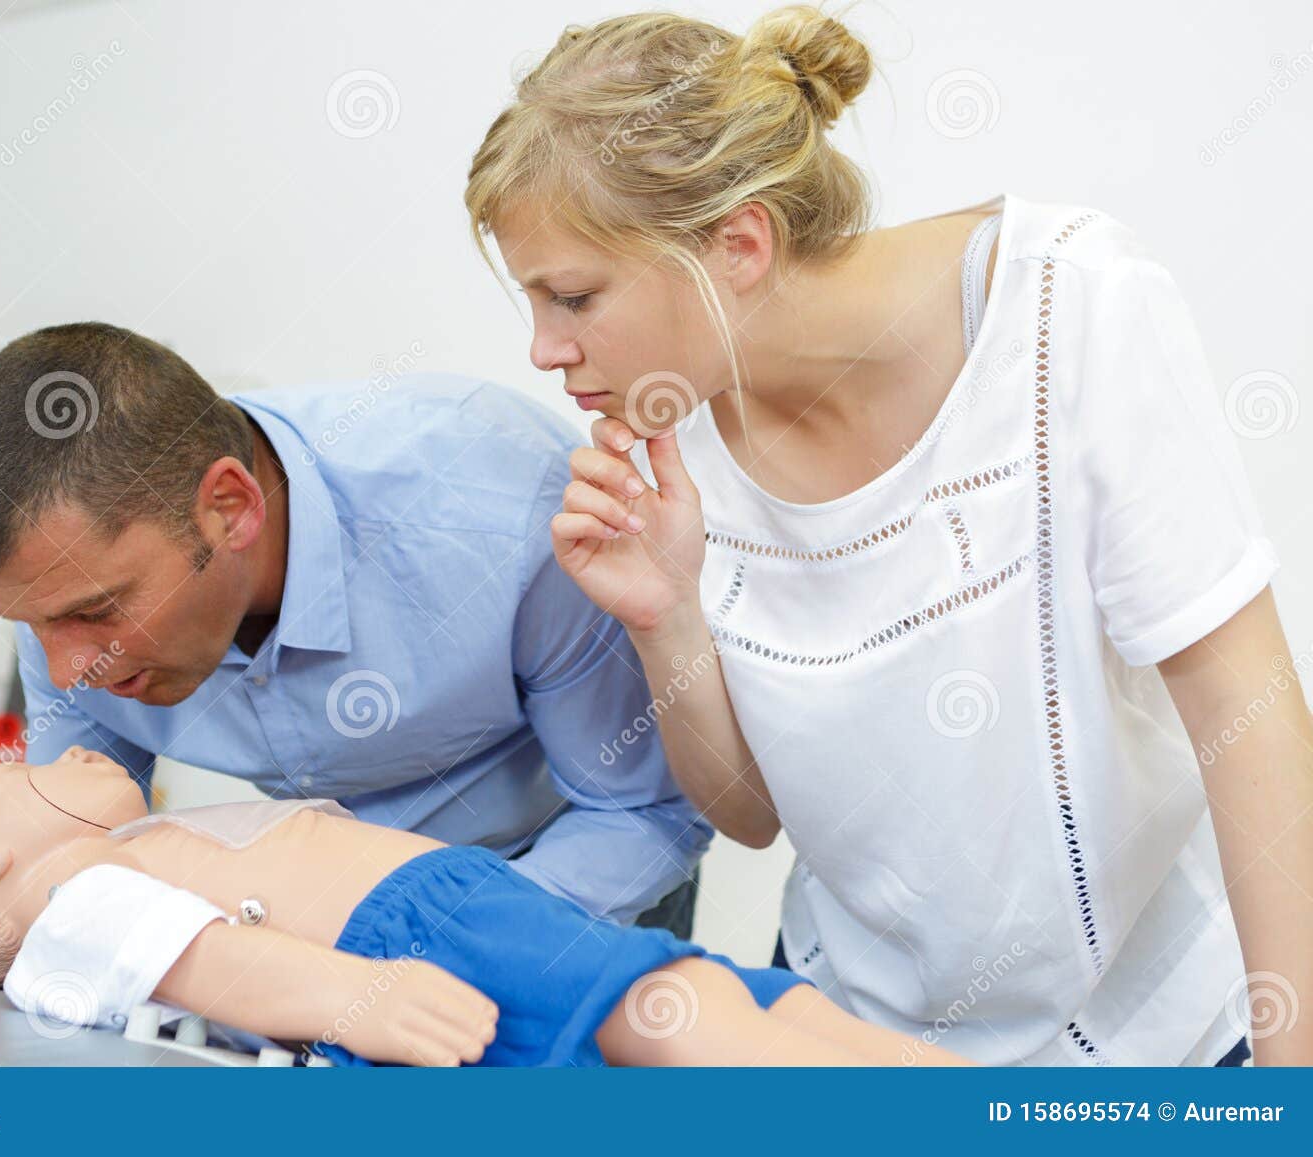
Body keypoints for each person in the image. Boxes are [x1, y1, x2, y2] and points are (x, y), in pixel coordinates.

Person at [463, 5, 1313, 1065]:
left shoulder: (1070, 308)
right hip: (852, 1035)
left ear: (739, 244)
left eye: (572, 297)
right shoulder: (678, 448)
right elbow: (752, 818)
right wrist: (664, 616)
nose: (543, 350)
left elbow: (1249, 713)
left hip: (1158, 1040)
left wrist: (1291, 1088)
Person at [0, 322, 711, 988]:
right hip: (314, 946)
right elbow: (76, 851)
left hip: (563, 890)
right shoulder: (68, 602)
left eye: (97, 612)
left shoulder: (502, 513)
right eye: (33, 626)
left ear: (230, 507)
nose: (69, 673)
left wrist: (429, 949)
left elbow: (641, 811)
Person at [0, 745, 967, 1067]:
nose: (73, 752)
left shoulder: (118, 855)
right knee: (679, 1017)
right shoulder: (72, 899)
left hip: (449, 910)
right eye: (27, 773)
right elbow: (199, 956)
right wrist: (352, 994)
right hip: (410, 935)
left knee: (716, 997)